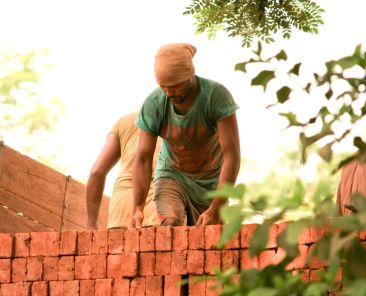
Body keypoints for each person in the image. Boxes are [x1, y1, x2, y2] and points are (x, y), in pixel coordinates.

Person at [130, 43, 241, 227]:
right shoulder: (154, 104)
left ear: (189, 75)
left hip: (211, 183)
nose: (168, 92)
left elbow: (232, 156)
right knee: (171, 223)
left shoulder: (216, 97)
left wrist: (215, 208)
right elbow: (143, 158)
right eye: (163, 86)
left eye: (174, 86)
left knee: (210, 236)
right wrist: (137, 208)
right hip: (172, 175)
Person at [86, 112, 160, 229]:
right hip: (157, 210)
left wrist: (91, 224)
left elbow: (96, 172)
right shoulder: (176, 118)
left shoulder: (125, 121)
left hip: (121, 212)